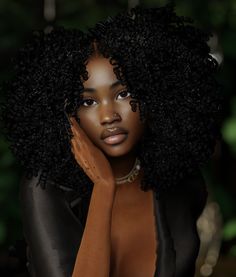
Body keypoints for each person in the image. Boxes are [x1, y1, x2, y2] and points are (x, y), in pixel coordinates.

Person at [0, 4, 223, 277]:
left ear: (154, 91)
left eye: (122, 94)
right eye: (89, 101)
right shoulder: (46, 191)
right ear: (68, 114)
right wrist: (104, 188)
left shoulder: (180, 182)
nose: (108, 116)